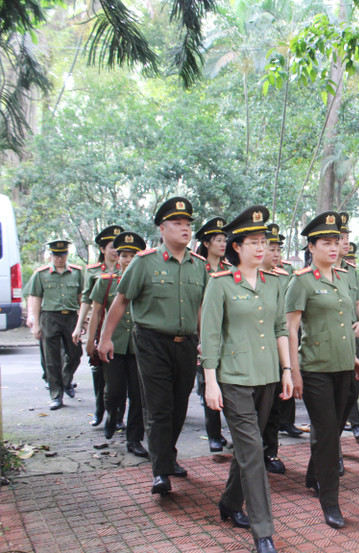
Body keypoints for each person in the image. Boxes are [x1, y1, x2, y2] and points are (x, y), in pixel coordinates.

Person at [97, 196, 208, 496]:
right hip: (151, 342)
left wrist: (204, 341)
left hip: (186, 344)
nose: (185, 229)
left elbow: (201, 308)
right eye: (177, 223)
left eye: (188, 224)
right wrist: (106, 338)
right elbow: (121, 301)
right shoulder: (144, 262)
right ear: (162, 229)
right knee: (159, 406)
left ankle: (167, 456)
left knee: (179, 406)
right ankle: (160, 471)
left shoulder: (199, 266)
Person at [201, 206, 292, 553]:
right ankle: (263, 532)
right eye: (253, 242)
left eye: (263, 242)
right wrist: (211, 382)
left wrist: (287, 370)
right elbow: (210, 336)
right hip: (233, 378)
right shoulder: (220, 284)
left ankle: (229, 502)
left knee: (248, 448)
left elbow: (281, 328)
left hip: (267, 376)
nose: (260, 247)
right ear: (236, 247)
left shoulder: (274, 284)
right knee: (253, 451)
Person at [285, 211, 359, 529]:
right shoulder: (302, 281)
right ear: (312, 246)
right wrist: (293, 371)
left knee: (330, 430)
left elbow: (343, 324)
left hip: (344, 367)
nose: (334, 248)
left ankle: (312, 474)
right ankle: (330, 502)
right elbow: (291, 329)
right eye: (326, 243)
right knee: (329, 434)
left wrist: (352, 357)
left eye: (336, 242)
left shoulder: (344, 278)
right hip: (315, 369)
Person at [86, 231, 148, 457]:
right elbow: (96, 313)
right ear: (118, 258)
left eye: (133, 256)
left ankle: (134, 439)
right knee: (114, 392)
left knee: (138, 395)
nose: (128, 260)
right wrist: (90, 342)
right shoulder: (106, 281)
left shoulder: (147, 282)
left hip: (140, 347)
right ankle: (112, 415)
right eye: (124, 255)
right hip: (114, 345)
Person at [73, 225, 124, 426]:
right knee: (99, 370)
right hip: (100, 325)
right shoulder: (93, 271)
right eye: (112, 247)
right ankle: (99, 410)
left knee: (120, 374)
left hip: (122, 328)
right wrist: (79, 326)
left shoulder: (126, 268)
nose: (116, 252)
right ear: (102, 249)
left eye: (118, 248)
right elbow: (86, 299)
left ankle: (118, 416)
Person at [25, 240, 84, 410]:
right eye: (56, 255)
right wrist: (36, 324)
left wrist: (83, 320)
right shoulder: (41, 274)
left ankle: (66, 380)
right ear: (51, 255)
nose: (59, 258)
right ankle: (56, 395)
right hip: (50, 317)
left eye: (63, 254)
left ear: (67, 254)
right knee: (51, 359)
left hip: (71, 317)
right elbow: (36, 298)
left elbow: (82, 297)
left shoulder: (76, 273)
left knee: (75, 354)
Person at [260, 223, 300, 476]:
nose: (275, 253)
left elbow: (286, 321)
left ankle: (269, 452)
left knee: (274, 405)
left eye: (278, 249)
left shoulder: (284, 277)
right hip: (251, 351)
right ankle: (250, 454)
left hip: (277, 348)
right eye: (270, 248)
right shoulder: (239, 277)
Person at [194, 216, 231, 453]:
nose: (223, 244)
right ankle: (214, 435)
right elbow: (198, 304)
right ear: (206, 244)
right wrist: (201, 338)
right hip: (204, 335)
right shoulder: (198, 267)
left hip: (226, 336)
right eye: (218, 240)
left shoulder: (229, 269)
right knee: (208, 381)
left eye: (224, 240)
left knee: (227, 383)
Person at [337, 217, 359, 443]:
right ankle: (345, 434)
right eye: (341, 238)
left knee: (353, 388)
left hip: (354, 339)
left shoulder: (352, 272)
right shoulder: (312, 276)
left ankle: (348, 426)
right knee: (337, 394)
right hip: (332, 342)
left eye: (347, 237)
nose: (345, 242)